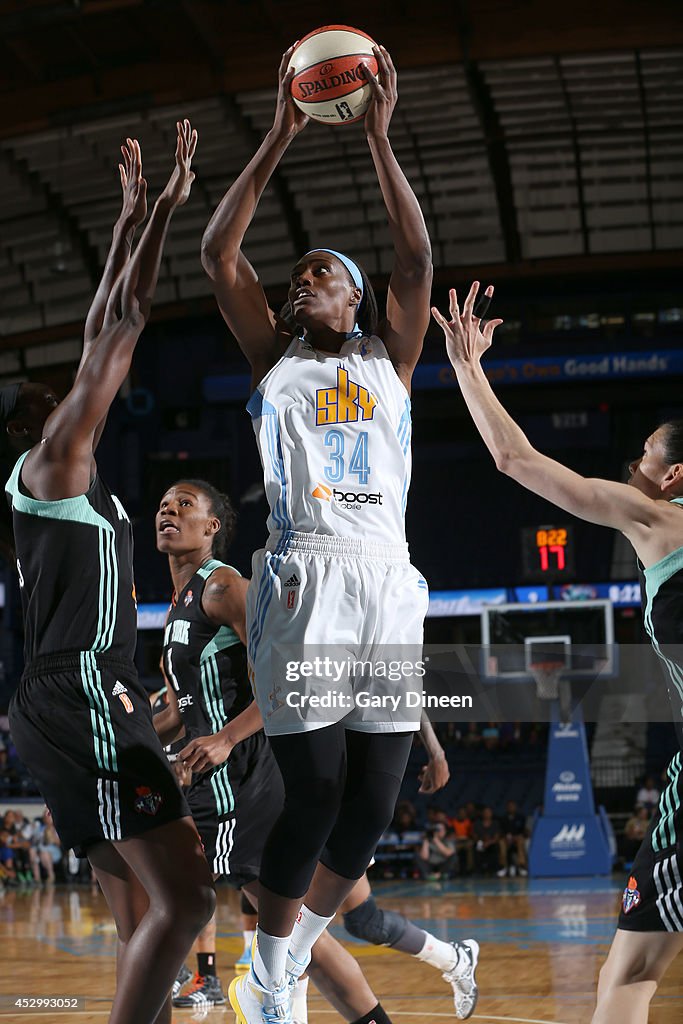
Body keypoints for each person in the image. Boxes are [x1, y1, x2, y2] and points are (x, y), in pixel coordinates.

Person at [202, 39, 478, 1024]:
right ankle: (274, 974)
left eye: (318, 274)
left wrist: (378, 137)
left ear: (352, 296)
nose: (296, 282)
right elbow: (216, 255)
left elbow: (416, 257)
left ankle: (287, 954)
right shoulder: (273, 358)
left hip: (386, 580)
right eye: (294, 277)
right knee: (313, 792)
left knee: (369, 807)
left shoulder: (389, 358)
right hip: (305, 576)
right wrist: (279, 131)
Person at [4, 123, 216, 1024]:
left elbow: (106, 322)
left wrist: (133, 220)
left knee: (140, 912)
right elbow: (120, 326)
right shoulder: (55, 466)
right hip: (81, 685)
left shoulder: (64, 483)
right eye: (74, 392)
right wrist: (158, 214)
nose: (92, 383)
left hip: (83, 688)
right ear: (49, 421)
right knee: (192, 899)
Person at [432, 279, 683, 1023]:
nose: (631, 467)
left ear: (671, 477)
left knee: (629, 971)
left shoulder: (657, 520)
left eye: (642, 456)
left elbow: (517, 460)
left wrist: (468, 367)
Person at [154, 479, 478, 1021]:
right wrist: (124, 740)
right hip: (231, 775)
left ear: (212, 527)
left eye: (184, 505)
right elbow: (175, 711)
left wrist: (227, 737)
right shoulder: (177, 607)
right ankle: (260, 992)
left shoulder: (225, 587)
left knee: (300, 925)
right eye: (163, 505)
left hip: (252, 774)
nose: (169, 511)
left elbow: (288, 676)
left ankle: (220, 983)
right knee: (303, 929)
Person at [497, 799, 528, 877]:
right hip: (506, 840)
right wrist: (507, 838)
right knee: (501, 843)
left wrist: (516, 837)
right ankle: (503, 867)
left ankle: (522, 867)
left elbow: (523, 831)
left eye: (512, 806)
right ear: (506, 808)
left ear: (515, 807)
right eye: (509, 806)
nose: (511, 808)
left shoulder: (521, 817)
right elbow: (501, 831)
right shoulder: (502, 818)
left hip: (517, 839)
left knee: (520, 841)